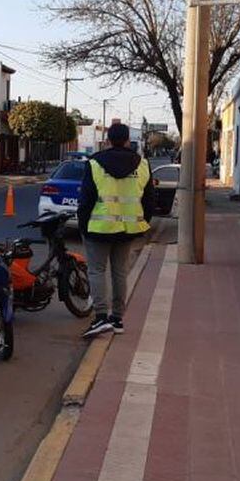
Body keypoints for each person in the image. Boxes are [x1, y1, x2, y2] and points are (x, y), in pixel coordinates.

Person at [77, 122, 155, 338]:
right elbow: (149, 200)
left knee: (97, 271)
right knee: (120, 272)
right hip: (127, 229)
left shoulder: (94, 163)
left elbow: (85, 200)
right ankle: (117, 319)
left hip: (99, 228)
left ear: (108, 140)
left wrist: (83, 225)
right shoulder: (142, 165)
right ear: (128, 140)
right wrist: (142, 222)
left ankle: (101, 317)